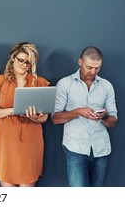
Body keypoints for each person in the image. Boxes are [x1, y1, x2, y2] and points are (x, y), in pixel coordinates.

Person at [0, 42, 49, 187]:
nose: (23, 65)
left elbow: (45, 117)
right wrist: (13, 110)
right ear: (13, 58)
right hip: (4, 142)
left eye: (28, 63)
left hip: (30, 143)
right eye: (20, 60)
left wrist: (33, 116)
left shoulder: (39, 83)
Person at [52, 46, 117, 187]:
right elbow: (55, 118)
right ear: (80, 62)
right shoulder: (65, 84)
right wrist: (78, 112)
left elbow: (113, 122)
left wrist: (105, 117)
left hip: (101, 149)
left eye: (97, 68)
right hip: (76, 148)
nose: (93, 72)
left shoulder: (106, 86)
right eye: (89, 67)